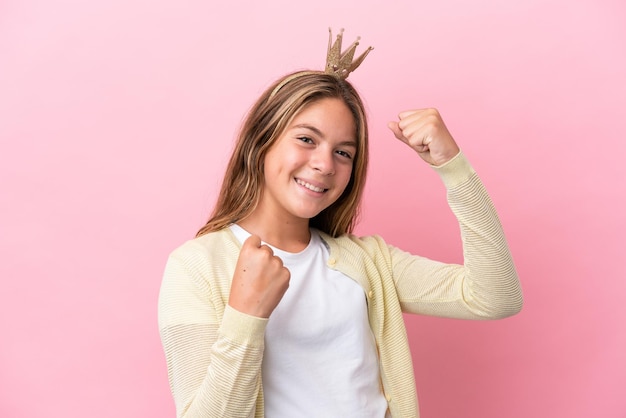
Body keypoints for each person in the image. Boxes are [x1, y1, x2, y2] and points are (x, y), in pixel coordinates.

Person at [158, 29, 523, 418]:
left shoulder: (368, 262)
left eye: (343, 152)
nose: (325, 164)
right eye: (306, 139)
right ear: (260, 141)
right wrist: (246, 316)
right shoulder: (196, 267)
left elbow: (495, 296)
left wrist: (452, 167)